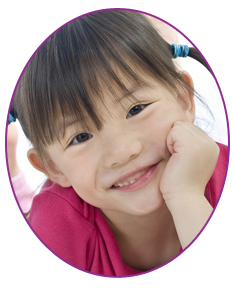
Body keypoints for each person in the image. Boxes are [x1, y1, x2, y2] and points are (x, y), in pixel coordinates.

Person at [8, 10, 228, 276]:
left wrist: (187, 196)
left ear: (183, 99)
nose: (122, 153)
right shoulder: (54, 229)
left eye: (136, 109)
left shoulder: (225, 173)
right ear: (53, 167)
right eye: (81, 137)